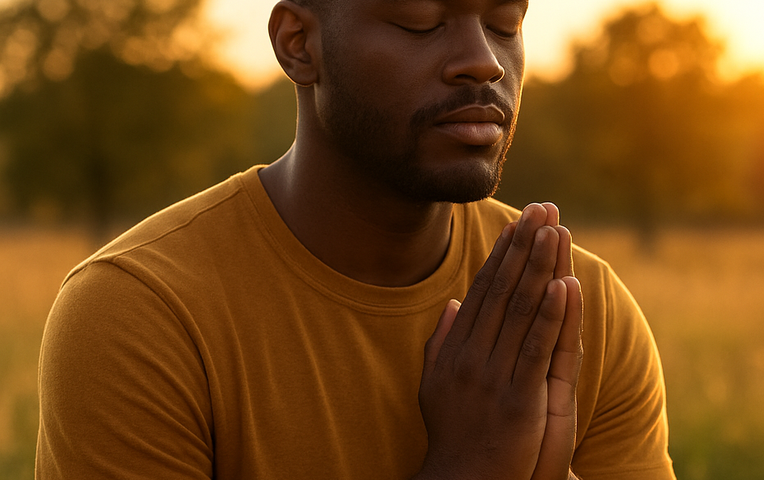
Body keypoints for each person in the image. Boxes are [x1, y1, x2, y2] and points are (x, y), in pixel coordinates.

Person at [36, 0, 676, 478]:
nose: (483, 59)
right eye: (420, 21)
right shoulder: (140, 314)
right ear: (298, 44)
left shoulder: (577, 303)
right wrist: (468, 465)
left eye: (505, 22)